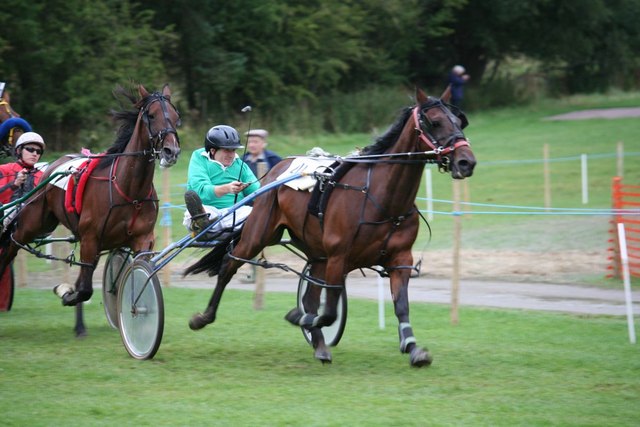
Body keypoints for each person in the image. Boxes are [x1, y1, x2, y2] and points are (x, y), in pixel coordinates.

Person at [183, 125, 260, 238]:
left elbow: (258, 192)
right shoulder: (199, 158)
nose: (231, 155)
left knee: (257, 215)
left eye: (233, 150)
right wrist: (227, 188)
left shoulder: (240, 164)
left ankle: (206, 229)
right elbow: (201, 191)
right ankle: (201, 225)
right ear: (213, 151)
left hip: (235, 213)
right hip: (208, 210)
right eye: (227, 150)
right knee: (200, 214)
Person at [0, 132, 45, 230]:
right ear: (19, 150)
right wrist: (14, 184)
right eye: (30, 149)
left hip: (31, 219)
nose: (34, 154)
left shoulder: (43, 176)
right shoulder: (4, 169)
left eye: (38, 151)